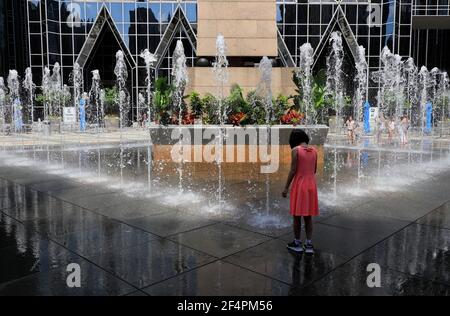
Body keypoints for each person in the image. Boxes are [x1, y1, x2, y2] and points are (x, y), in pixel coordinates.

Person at [282, 129, 319, 254]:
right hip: (311, 186)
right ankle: (309, 245)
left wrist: (286, 187)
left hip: (300, 185)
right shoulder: (314, 150)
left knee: (297, 216)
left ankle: (297, 243)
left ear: (294, 140)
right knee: (308, 217)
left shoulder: (295, 150)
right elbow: (314, 170)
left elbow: (293, 170)